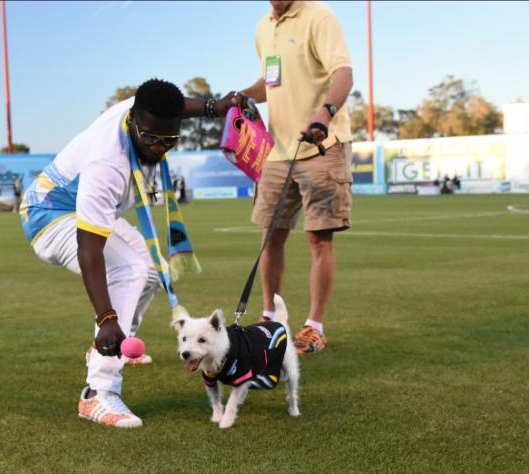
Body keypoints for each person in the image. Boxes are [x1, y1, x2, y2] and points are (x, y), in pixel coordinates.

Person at [19, 78, 233, 428]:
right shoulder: (108, 163)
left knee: (153, 269)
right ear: (133, 120)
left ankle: (112, 346)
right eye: (150, 138)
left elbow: (180, 105)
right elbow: (90, 249)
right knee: (130, 269)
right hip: (49, 215)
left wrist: (214, 107)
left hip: (75, 209)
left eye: (169, 140)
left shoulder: (144, 109)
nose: (158, 148)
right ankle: (97, 392)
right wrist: (105, 318)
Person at [235, 0, 354, 354]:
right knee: (270, 237)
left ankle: (314, 327)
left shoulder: (319, 16)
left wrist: (325, 114)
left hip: (321, 144)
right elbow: (272, 81)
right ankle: (271, 320)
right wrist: (241, 96)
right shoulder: (263, 28)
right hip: (277, 151)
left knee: (319, 239)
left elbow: (343, 73)